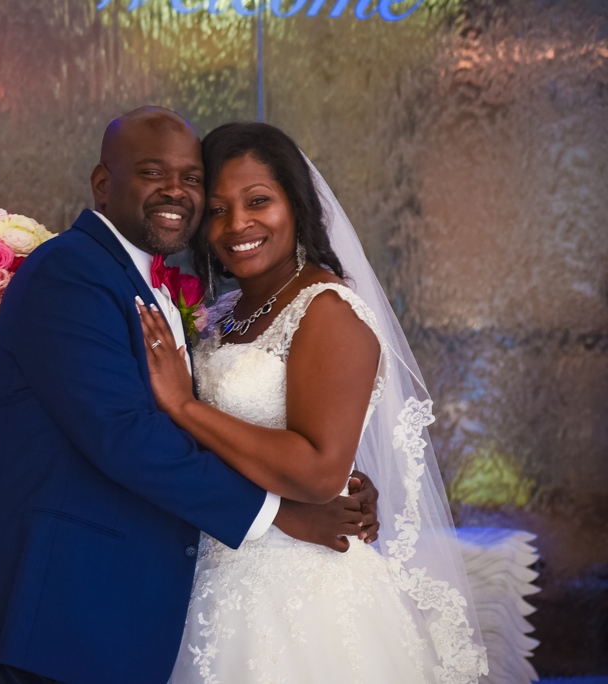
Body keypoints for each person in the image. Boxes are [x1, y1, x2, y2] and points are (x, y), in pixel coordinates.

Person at [0, 107, 382, 684]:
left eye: (191, 180)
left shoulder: (167, 289)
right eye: (152, 173)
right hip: (79, 609)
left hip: (218, 600)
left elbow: (302, 443)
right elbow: (125, 435)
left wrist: (338, 482)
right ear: (103, 183)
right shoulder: (74, 273)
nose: (178, 193)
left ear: (297, 204)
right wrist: (282, 513)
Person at [136, 122, 489, 683]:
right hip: (213, 568)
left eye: (258, 202)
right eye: (219, 210)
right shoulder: (223, 314)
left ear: (296, 206)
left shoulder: (327, 309)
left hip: (301, 596)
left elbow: (321, 470)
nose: (238, 225)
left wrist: (185, 407)